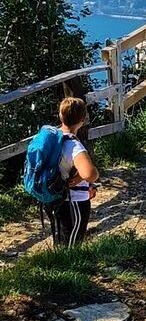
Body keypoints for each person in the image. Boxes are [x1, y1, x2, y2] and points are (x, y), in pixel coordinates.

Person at [51, 97, 99, 249]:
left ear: (60, 116)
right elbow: (90, 174)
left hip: (53, 197)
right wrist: (84, 177)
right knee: (73, 243)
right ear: (83, 120)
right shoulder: (74, 146)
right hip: (74, 200)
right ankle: (70, 268)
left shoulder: (52, 138)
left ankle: (57, 267)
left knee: (61, 239)